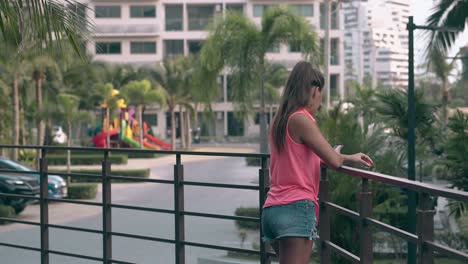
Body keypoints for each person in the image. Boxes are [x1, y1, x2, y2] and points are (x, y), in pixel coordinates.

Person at [261, 61, 374, 264]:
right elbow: (334, 161)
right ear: (315, 91)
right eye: (321, 95)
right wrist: (340, 157)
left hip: (272, 210)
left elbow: (305, 156)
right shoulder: (301, 119)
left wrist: (345, 156)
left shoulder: (280, 120)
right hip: (295, 209)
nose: (320, 101)